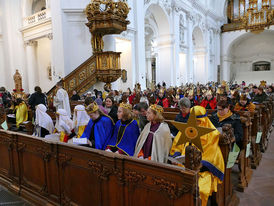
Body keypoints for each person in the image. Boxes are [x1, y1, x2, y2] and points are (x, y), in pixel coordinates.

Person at [170, 106, 224, 206]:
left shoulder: (212, 134)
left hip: (201, 169)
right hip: (182, 166)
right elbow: (177, 144)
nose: (196, 124)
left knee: (199, 190)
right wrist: (176, 156)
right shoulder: (187, 128)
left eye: (198, 121)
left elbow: (211, 153)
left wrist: (198, 165)